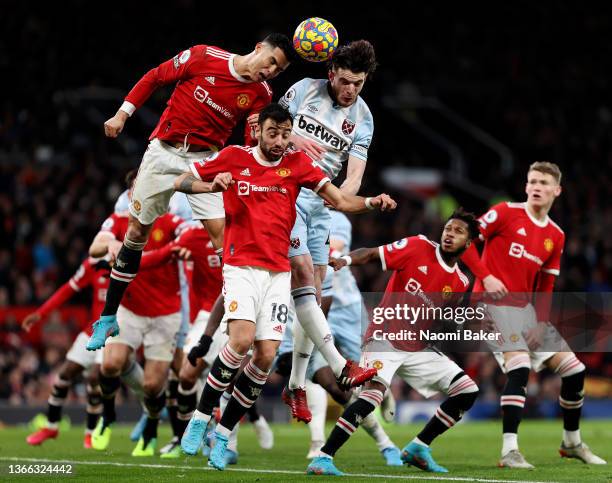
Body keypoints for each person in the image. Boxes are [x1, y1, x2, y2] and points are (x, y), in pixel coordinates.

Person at [173, 103, 396, 470]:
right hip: (241, 266)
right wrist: (210, 184)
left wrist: (372, 201)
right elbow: (181, 180)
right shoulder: (233, 157)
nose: (279, 141)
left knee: (263, 357)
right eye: (273, 133)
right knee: (241, 342)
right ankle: (198, 422)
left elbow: (339, 200)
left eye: (285, 134)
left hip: (278, 273)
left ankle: (224, 433)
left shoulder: (297, 165)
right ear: (259, 130)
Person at [87, 34, 294, 351]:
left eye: (278, 70)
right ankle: (108, 317)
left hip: (206, 161)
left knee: (225, 241)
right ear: (258, 48)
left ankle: (242, 316)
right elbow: (155, 77)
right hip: (163, 152)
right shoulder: (203, 57)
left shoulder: (260, 93)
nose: (271, 71)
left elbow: (254, 140)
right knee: (136, 233)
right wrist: (122, 114)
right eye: (271, 61)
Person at [307, 209, 481, 476]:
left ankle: (419, 447)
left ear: (468, 244)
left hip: (417, 347)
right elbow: (371, 253)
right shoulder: (419, 246)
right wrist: (345, 260)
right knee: (371, 396)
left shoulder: (460, 281)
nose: (450, 234)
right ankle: (323, 457)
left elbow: (441, 321)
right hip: (385, 338)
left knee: (467, 390)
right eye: (448, 229)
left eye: (458, 232)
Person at [461, 162, 607, 468]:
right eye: (532, 181)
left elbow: (547, 283)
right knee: (520, 366)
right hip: (490, 304)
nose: (537, 187)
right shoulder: (504, 212)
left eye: (543, 182)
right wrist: (486, 276)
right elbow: (465, 242)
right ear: (526, 186)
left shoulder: (556, 234)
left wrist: (541, 323)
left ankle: (571, 443)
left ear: (557, 191)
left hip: (525, 310)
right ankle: (509, 451)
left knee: (575, 371)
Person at [277, 40, 379, 421]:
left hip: (322, 205)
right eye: (346, 81)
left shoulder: (364, 118)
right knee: (303, 275)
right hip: (284, 193)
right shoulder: (303, 89)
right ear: (331, 73)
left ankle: (295, 386)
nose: (351, 89)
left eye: (359, 83)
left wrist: (337, 202)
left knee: (317, 298)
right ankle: (339, 366)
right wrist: (292, 138)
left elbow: (353, 177)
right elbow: (263, 128)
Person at [88, 204, 186, 456]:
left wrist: (183, 245)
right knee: (110, 365)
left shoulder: (173, 222)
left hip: (165, 313)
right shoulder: (120, 219)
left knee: (153, 386)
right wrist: (109, 245)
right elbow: (95, 247)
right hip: (128, 308)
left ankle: (151, 429)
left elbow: (189, 233)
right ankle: (108, 415)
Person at [22, 256, 110, 449]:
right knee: (64, 375)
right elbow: (67, 290)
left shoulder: (133, 263)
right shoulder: (94, 264)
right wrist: (41, 313)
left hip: (117, 333)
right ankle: (51, 427)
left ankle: (90, 434)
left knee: (95, 378)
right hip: (92, 330)